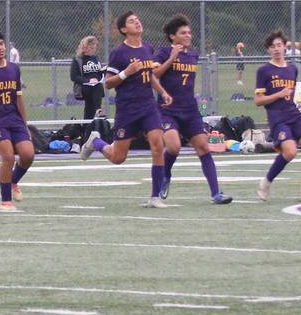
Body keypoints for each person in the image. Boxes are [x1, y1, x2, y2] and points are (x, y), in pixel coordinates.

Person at [79, 11, 172, 208]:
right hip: (128, 110)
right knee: (118, 158)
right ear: (123, 29)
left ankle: (154, 197)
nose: (137, 22)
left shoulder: (148, 47)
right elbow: (109, 84)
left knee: (157, 145)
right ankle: (96, 141)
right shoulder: (119, 53)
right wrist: (126, 72)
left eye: (137, 19)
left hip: (148, 107)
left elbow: (150, 75)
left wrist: (162, 92)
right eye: (131, 21)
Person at [153, 14, 233, 205]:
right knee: (174, 147)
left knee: (204, 147)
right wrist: (172, 58)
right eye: (183, 32)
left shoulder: (193, 55)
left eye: (189, 32)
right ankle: (166, 175)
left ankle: (216, 193)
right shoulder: (163, 52)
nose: (188, 35)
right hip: (167, 110)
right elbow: (153, 75)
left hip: (189, 110)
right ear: (173, 36)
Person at [255, 30, 301, 202]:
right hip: (277, 117)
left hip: (293, 114)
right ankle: (267, 181)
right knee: (290, 151)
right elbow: (258, 100)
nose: (276, 49)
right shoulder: (264, 71)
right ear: (268, 50)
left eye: (279, 45)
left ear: (285, 47)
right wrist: (278, 94)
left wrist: (285, 95)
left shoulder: (292, 69)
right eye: (272, 46)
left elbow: (289, 96)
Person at [0, 31, 35, 211]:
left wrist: (25, 125)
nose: (0, 48)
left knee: (28, 155)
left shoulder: (13, 68)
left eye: (2, 44)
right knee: (8, 157)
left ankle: (13, 181)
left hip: (15, 120)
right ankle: (5, 201)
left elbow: (18, 99)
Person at [71, 36, 105, 119]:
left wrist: (104, 71)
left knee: (89, 110)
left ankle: (86, 128)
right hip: (83, 87)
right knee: (97, 87)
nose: (93, 49)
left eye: (94, 47)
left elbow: (98, 74)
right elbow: (74, 77)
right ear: (84, 47)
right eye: (91, 47)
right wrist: (88, 80)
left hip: (94, 88)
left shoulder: (95, 58)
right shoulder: (77, 59)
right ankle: (98, 110)